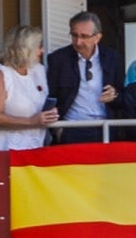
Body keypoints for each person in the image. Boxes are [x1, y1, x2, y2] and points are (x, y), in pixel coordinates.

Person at [45, 12, 124, 144]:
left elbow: (123, 97)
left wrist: (114, 95)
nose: (78, 42)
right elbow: (50, 98)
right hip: (71, 129)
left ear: (97, 37)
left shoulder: (112, 57)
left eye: (84, 36)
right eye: (74, 35)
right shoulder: (59, 59)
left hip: (104, 128)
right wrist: (57, 130)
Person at [0, 25, 57, 150]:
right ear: (26, 50)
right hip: (6, 150)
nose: (42, 51)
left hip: (36, 147)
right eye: (39, 47)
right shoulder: (1, 74)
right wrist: (31, 121)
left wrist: (49, 114)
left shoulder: (38, 71)